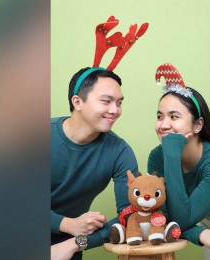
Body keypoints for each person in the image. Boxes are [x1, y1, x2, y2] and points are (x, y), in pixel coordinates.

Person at [51, 67, 139, 260]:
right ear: (77, 102)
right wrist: (66, 224)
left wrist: (75, 243)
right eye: (106, 101)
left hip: (68, 248)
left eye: (119, 103)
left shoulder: (120, 152)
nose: (115, 110)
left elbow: (130, 217)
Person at [148, 63, 210, 260]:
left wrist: (172, 151)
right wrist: (201, 233)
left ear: (198, 124)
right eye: (160, 116)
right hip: (209, 224)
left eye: (174, 116)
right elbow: (161, 217)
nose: (163, 125)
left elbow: (180, 221)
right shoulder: (157, 157)